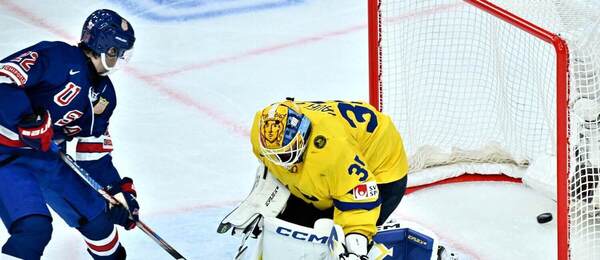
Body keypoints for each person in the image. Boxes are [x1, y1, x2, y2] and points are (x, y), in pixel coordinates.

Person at [0, 9, 139, 260]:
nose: (120, 59)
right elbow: (3, 79)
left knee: (98, 221)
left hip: (45, 157)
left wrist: (115, 190)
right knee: (33, 229)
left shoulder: (105, 95)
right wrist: (24, 120)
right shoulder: (57, 56)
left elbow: (91, 151)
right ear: (105, 47)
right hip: (5, 156)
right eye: (117, 52)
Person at [249, 98, 409, 259]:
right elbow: (273, 164)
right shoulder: (259, 132)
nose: (282, 162)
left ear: (302, 133)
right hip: (341, 146)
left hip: (383, 168)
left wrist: (355, 244)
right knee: (300, 226)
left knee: (335, 239)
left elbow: (360, 201)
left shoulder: (333, 151)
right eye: (275, 155)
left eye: (286, 152)